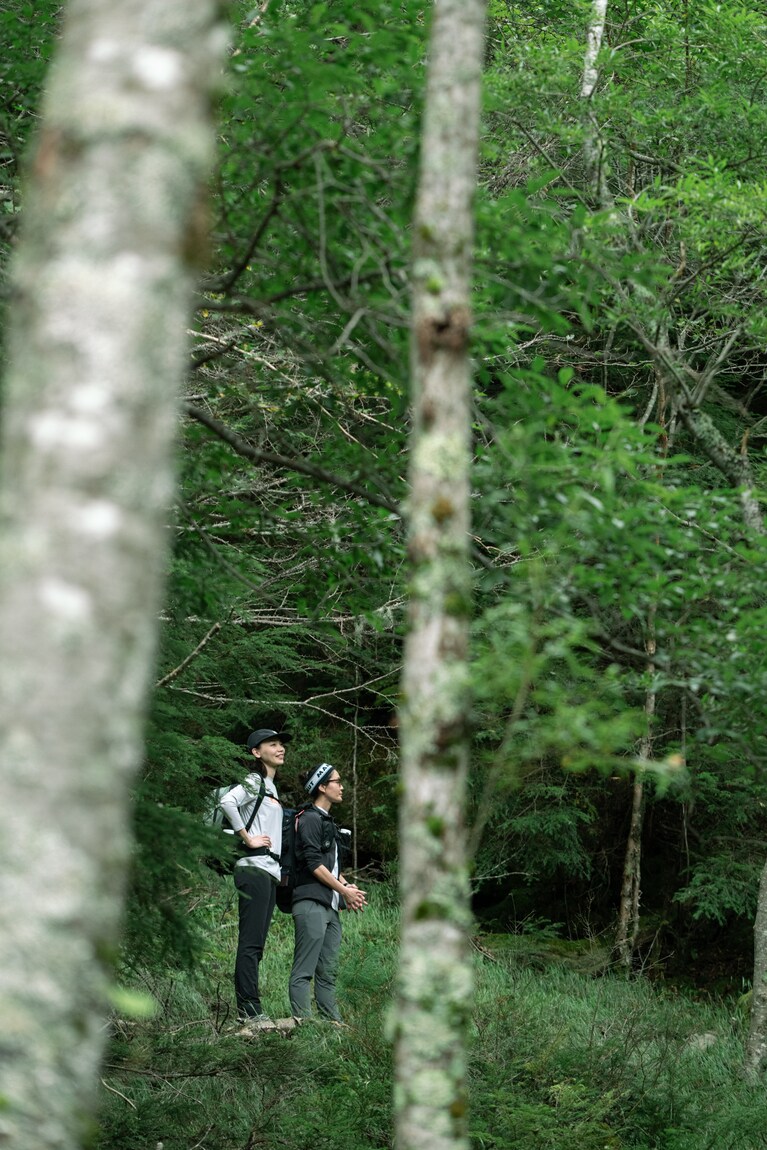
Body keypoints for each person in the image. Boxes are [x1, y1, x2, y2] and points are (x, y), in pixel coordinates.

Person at [219, 728, 289, 1025]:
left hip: (268, 871)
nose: (280, 748)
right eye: (272, 744)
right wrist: (247, 838)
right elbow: (227, 803)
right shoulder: (254, 780)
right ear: (256, 752)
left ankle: (251, 1007)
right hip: (254, 866)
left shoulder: (270, 787)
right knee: (250, 943)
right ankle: (249, 1011)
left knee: (257, 944)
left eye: (280, 743)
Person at [288, 762, 366, 1023]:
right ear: (322, 787)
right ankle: (305, 1026)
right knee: (304, 971)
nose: (342, 786)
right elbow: (312, 863)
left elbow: (329, 866)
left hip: (330, 906)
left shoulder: (326, 821)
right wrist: (343, 889)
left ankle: (333, 1026)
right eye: (337, 781)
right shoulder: (309, 818)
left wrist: (346, 888)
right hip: (310, 902)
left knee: (328, 973)